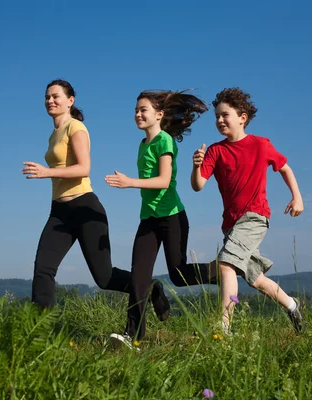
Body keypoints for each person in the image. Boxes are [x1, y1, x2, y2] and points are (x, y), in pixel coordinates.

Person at [22, 79, 169, 313]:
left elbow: (84, 168)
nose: (50, 100)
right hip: (59, 213)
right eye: (47, 97)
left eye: (55, 96)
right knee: (43, 268)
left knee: (104, 277)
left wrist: (46, 172)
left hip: (84, 208)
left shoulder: (76, 128)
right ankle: (37, 332)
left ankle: (150, 288)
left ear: (70, 101)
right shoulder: (54, 134)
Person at [105, 89, 219, 346]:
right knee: (138, 275)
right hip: (149, 219)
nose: (137, 114)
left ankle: (220, 271)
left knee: (178, 275)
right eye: (135, 110)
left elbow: (164, 181)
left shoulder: (164, 140)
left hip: (172, 217)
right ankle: (132, 336)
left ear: (158, 114)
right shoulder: (142, 144)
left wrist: (129, 183)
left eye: (142, 110)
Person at [191, 87, 307, 335]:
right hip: (231, 224)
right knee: (254, 279)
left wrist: (297, 197)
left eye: (225, 115)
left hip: (255, 217)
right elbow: (198, 185)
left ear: (242, 117)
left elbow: (285, 168)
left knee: (226, 264)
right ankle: (292, 305)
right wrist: (196, 166)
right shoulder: (215, 151)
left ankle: (224, 327)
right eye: (217, 117)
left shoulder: (260, 145)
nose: (219, 120)